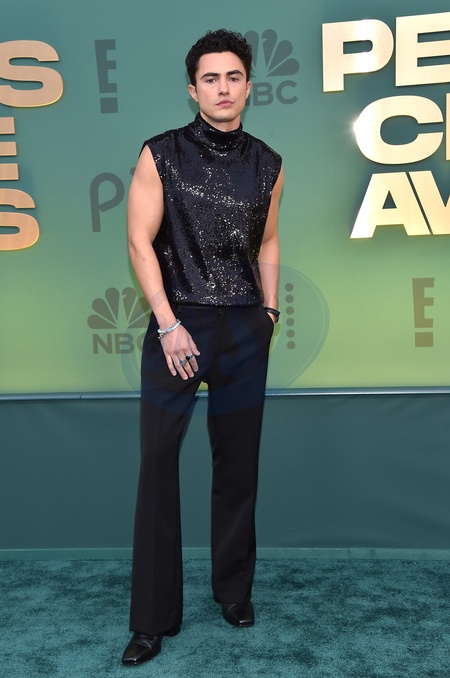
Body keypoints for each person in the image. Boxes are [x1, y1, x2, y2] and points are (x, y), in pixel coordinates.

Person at [122, 28, 284, 666]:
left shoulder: (269, 163)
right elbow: (139, 241)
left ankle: (234, 591)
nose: (222, 88)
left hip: (244, 326)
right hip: (179, 324)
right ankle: (151, 620)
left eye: (233, 77)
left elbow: (268, 241)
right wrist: (168, 323)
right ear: (193, 89)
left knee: (238, 465)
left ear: (248, 86)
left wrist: (269, 311)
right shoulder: (160, 153)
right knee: (157, 465)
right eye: (210, 78)